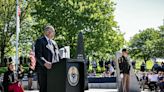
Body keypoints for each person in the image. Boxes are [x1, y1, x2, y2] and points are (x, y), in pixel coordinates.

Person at [35, 25, 60, 92]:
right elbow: (38, 55)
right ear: (48, 32)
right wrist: (45, 63)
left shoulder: (54, 43)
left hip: (54, 70)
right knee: (44, 89)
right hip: (43, 70)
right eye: (53, 32)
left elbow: (57, 55)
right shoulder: (40, 41)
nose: (54, 33)